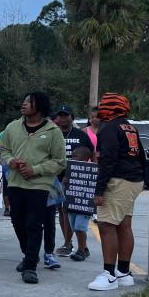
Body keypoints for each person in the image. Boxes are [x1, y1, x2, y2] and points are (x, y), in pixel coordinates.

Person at [0, 92, 67, 285]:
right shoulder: (12, 127)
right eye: (24, 100)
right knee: (17, 221)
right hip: (16, 182)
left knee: (33, 224)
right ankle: (30, 256)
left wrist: (35, 169)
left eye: (29, 102)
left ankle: (30, 268)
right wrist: (10, 161)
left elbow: (60, 162)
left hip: (40, 185)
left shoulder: (53, 131)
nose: (24, 104)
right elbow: (2, 150)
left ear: (40, 106)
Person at [88, 93, 146, 291]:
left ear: (110, 108)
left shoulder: (109, 128)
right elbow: (142, 156)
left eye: (104, 105)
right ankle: (123, 272)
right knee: (124, 225)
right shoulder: (129, 126)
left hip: (118, 180)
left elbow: (108, 160)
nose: (101, 108)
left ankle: (109, 275)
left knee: (106, 225)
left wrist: (99, 189)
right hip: (133, 180)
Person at [52, 105, 95, 257]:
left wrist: (93, 173)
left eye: (66, 115)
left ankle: (82, 247)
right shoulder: (52, 133)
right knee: (62, 211)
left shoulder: (81, 134)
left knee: (76, 211)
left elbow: (92, 154)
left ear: (72, 117)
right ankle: (67, 243)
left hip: (77, 180)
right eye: (60, 115)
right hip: (57, 178)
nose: (63, 118)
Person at [65, 144, 94, 262]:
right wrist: (65, 180)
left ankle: (81, 250)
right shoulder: (70, 168)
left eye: (75, 156)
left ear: (85, 158)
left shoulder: (92, 169)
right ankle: (84, 248)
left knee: (80, 227)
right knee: (74, 226)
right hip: (72, 203)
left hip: (84, 204)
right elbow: (66, 182)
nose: (72, 158)